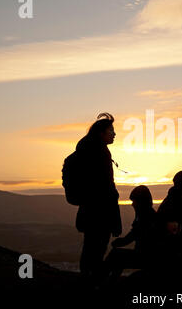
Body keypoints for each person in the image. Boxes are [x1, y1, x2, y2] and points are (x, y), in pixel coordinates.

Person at [74, 113, 122, 285]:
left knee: (90, 247)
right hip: (100, 211)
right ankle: (93, 283)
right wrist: (115, 219)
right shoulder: (99, 151)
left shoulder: (86, 147)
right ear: (102, 132)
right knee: (97, 248)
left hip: (89, 209)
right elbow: (106, 188)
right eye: (111, 130)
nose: (114, 134)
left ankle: (88, 280)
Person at [103, 185, 158, 284]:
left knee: (116, 255)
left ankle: (100, 281)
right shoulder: (146, 215)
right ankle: (109, 281)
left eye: (134, 201)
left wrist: (120, 242)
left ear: (141, 202)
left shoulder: (146, 217)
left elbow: (134, 235)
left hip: (147, 258)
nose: (132, 204)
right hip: (148, 257)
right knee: (118, 256)